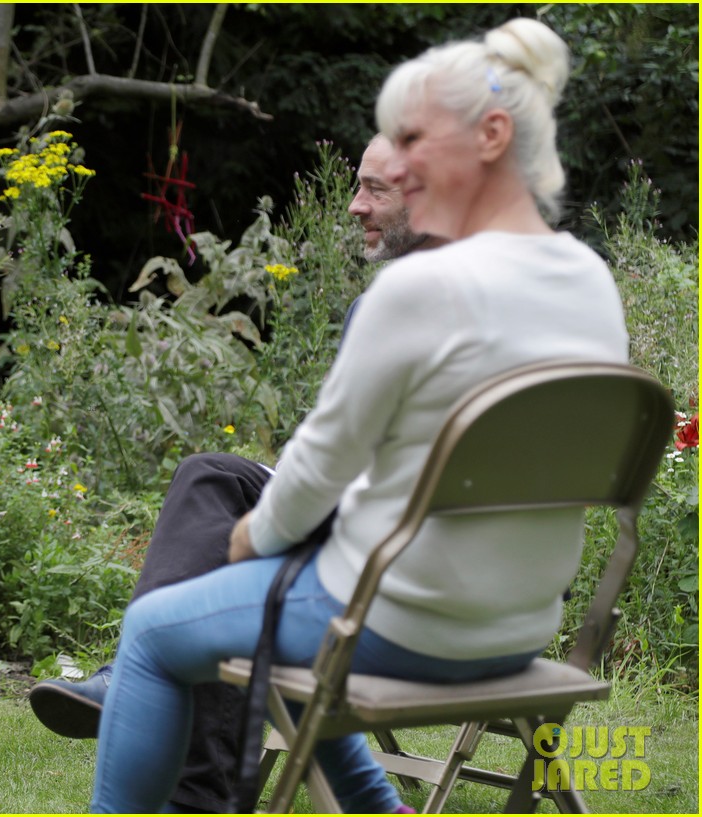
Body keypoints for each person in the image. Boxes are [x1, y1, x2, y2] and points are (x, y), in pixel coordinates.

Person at [89, 17, 628, 813]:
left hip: (403, 622)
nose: (396, 163)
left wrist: (248, 539)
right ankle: (378, 806)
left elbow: (316, 471)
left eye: (412, 139)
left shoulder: (414, 289)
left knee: (154, 634)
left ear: (492, 136)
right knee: (287, 603)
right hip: (518, 627)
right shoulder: (589, 278)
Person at [29, 133, 441, 812]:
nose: (353, 205)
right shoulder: (535, 301)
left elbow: (346, 466)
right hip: (497, 591)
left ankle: (173, 749)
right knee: (215, 483)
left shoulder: (397, 305)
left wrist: (273, 521)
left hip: (389, 573)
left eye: (375, 189)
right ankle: (370, 800)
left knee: (212, 557)